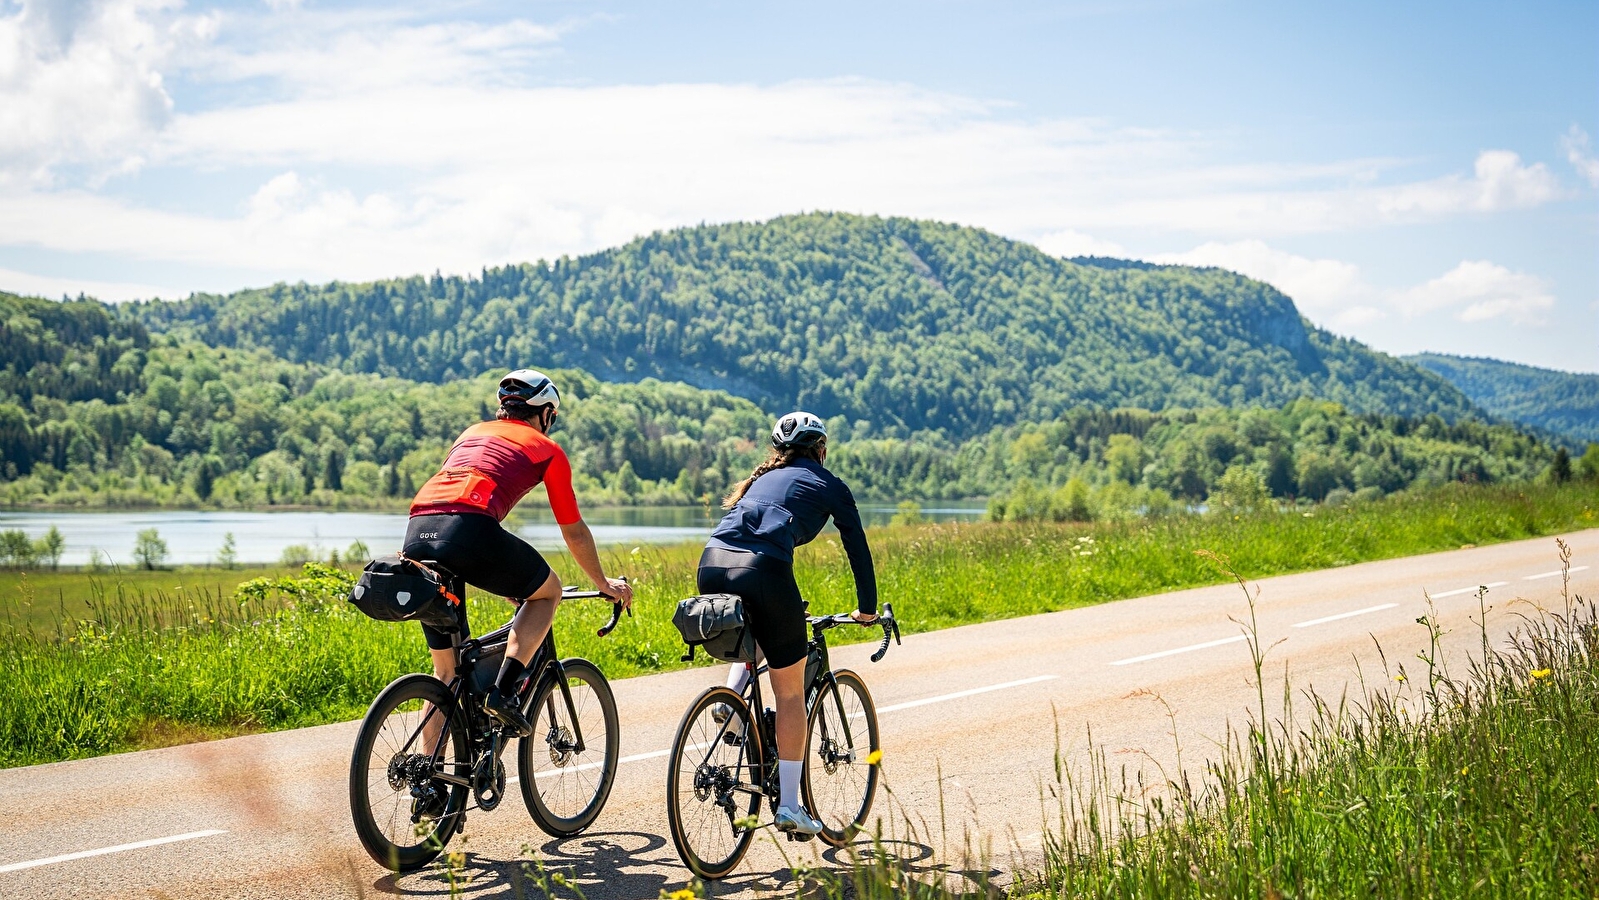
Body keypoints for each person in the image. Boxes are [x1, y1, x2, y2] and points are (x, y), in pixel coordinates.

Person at [405, 369, 633, 736]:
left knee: (446, 673)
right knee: (548, 592)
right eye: (552, 418)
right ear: (545, 413)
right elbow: (573, 531)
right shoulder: (547, 450)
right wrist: (602, 582)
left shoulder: (471, 434)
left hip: (417, 532)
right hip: (468, 528)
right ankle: (504, 692)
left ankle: (428, 781)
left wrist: (508, 578)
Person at [697, 411, 878, 836]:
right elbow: (858, 547)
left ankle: (732, 699)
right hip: (764, 571)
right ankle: (792, 807)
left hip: (711, 563)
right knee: (790, 691)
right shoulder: (829, 484)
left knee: (758, 633)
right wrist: (866, 608)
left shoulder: (760, 479)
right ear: (822, 450)